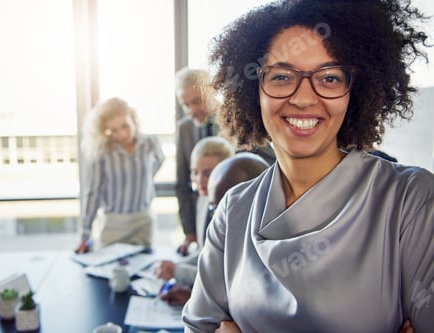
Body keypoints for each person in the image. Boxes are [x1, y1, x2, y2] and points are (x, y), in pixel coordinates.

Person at [182, 1, 433, 332]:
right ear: (253, 89)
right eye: (282, 76)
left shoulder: (410, 201)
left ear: (353, 92)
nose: (303, 98)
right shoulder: (234, 210)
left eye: (329, 78)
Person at [158, 150, 270, 306]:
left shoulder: (268, 248)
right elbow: (210, 255)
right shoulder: (215, 210)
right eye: (214, 208)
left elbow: (232, 288)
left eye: (207, 173)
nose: (218, 217)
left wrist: (192, 294)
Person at [75, 97, 165, 253]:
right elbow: (93, 192)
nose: (122, 134)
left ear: (133, 118)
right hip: (113, 225)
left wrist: (144, 179)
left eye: (125, 126)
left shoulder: (150, 142)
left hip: (143, 222)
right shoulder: (102, 151)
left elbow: (160, 160)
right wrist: (85, 234)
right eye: (114, 130)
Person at [155, 136, 234, 303]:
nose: (199, 180)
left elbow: (221, 278)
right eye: (195, 172)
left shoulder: (234, 212)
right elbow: (204, 253)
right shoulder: (203, 200)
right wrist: (173, 266)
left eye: (208, 173)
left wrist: (177, 271)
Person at [174, 67, 221, 256]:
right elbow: (182, 183)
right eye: (186, 105)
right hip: (201, 216)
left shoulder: (237, 119)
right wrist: (189, 232)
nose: (192, 110)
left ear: (212, 91)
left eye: (197, 101)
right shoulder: (184, 129)